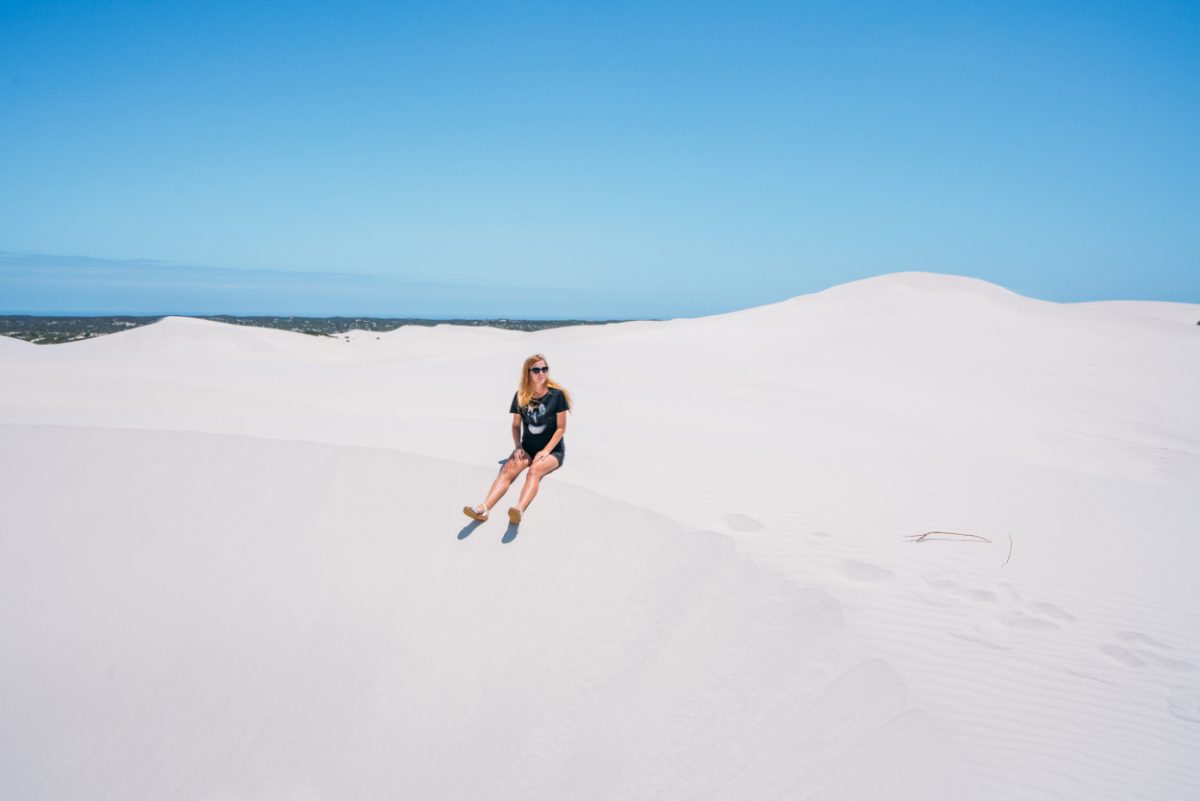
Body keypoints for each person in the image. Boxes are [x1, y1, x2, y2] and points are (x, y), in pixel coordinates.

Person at [463, 353, 572, 525]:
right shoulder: (521, 396)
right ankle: (484, 508)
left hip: (553, 450)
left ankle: (518, 510)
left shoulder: (557, 396)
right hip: (527, 448)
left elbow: (561, 428)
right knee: (507, 469)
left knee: (534, 471)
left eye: (544, 369)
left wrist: (545, 451)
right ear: (528, 373)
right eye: (536, 370)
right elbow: (515, 426)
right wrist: (518, 446)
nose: (541, 373)